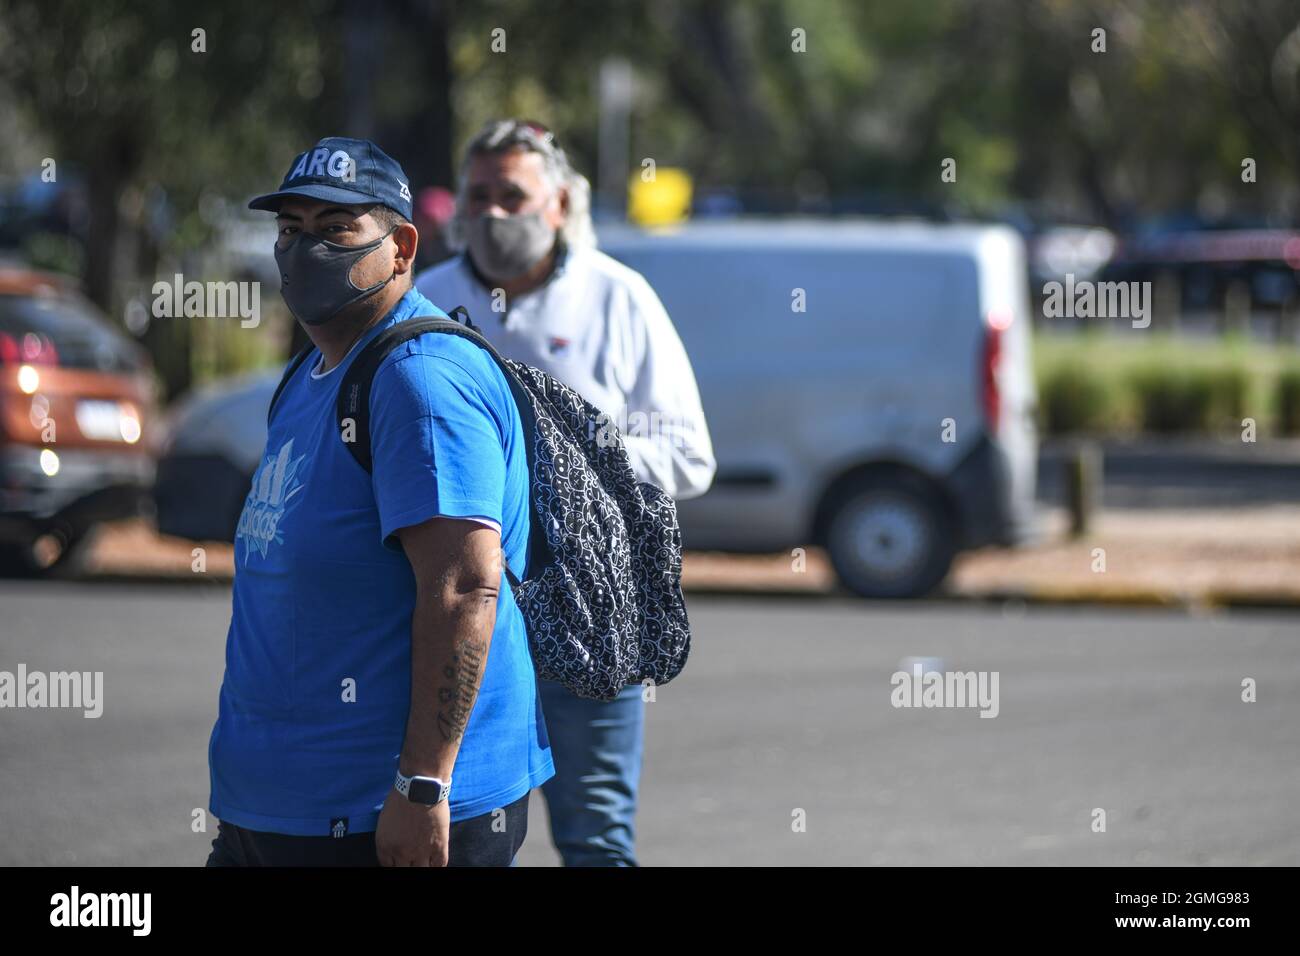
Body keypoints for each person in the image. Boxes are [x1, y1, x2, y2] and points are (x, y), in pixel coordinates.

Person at [205, 136, 553, 867]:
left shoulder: (419, 382)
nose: (306, 251)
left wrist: (423, 786)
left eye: (336, 231)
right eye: (291, 230)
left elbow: (464, 588)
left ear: (401, 247)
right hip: (277, 808)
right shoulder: (311, 374)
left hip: (381, 818)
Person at [415, 119, 715, 866]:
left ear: (558, 204)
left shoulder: (619, 299)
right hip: (460, 616)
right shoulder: (426, 300)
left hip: (589, 614)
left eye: (511, 195)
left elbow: (690, 457)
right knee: (460, 835)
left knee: (596, 839)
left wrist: (565, 460)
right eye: (477, 195)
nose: (490, 212)